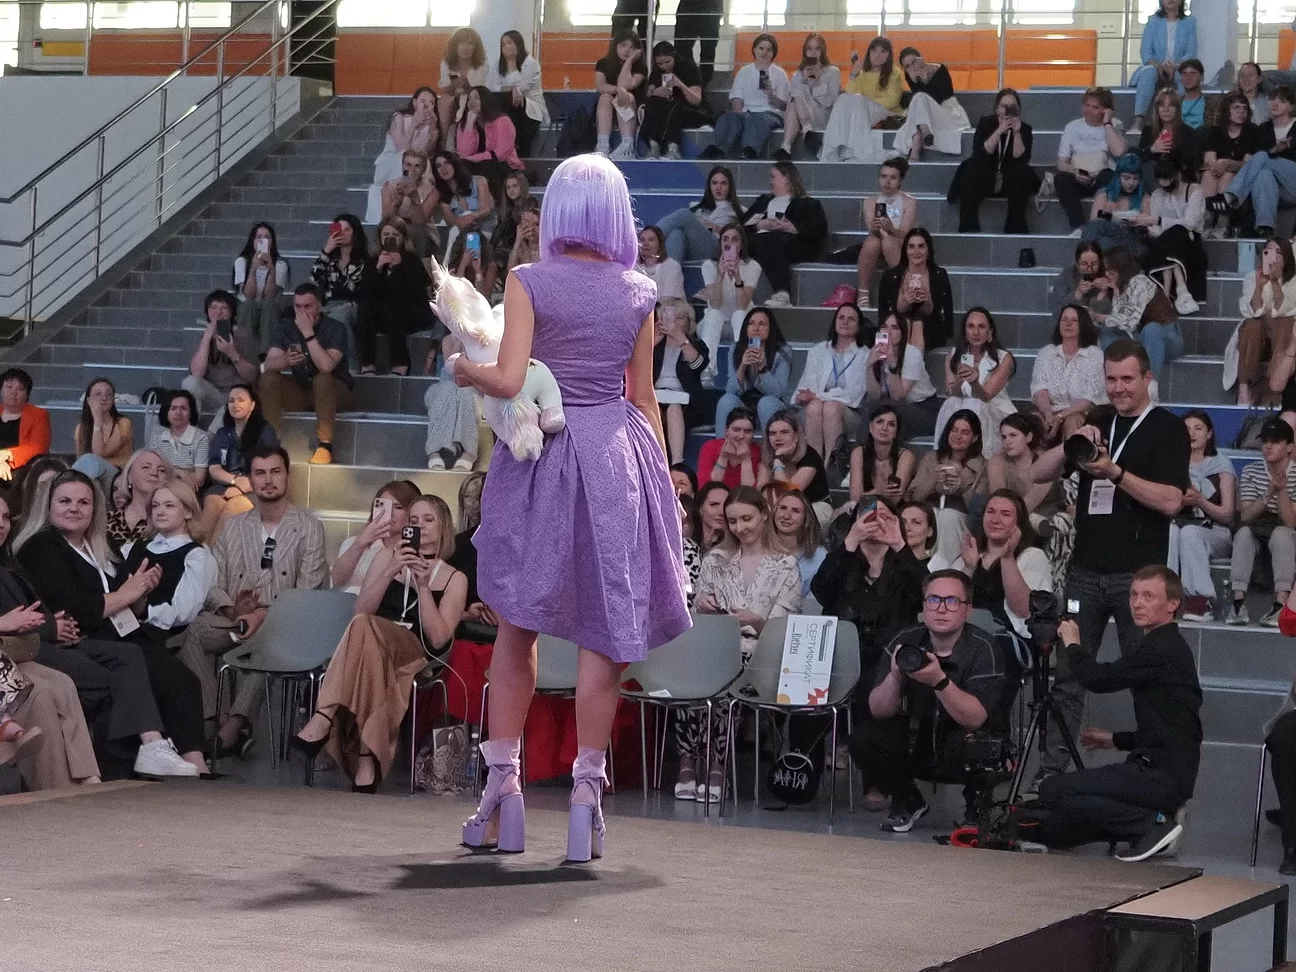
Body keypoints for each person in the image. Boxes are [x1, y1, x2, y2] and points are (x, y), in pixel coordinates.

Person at [452, 154, 690, 861]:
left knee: (516, 625)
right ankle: (587, 799)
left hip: (543, 457)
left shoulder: (529, 280)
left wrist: (464, 367)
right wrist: (662, 483)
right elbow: (644, 397)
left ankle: (504, 793)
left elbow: (508, 379)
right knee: (603, 631)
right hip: (618, 454)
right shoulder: (639, 291)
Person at [1028, 338, 1190, 785]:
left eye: (1127, 379)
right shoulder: (1097, 421)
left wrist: (1114, 473)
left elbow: (1171, 501)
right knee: (1067, 676)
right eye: (1111, 379)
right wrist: (1073, 443)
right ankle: (1051, 773)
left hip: (1140, 579)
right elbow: (1036, 473)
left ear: (1147, 378)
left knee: (1148, 678)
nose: (1118, 388)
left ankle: (1154, 770)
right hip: (1085, 571)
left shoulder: (1167, 428)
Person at [14, 470, 207, 776]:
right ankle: (145, 755)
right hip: (82, 638)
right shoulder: (41, 547)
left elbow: (126, 595)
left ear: (95, 508)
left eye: (83, 502)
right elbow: (74, 608)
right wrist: (127, 593)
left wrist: (141, 590)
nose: (74, 509)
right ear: (49, 506)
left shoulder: (101, 542)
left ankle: (196, 764)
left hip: (123, 631)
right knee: (132, 669)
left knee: (182, 680)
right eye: (65, 501)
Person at [293, 494, 466, 792]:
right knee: (366, 635)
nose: (421, 527)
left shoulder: (454, 578)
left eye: (429, 520)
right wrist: (390, 571)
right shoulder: (388, 556)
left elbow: (439, 639)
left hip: (415, 651)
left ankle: (324, 715)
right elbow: (361, 611)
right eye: (414, 521)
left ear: (443, 528)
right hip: (373, 645)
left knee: (366, 631)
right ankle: (366, 760)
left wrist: (424, 587)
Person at [1031, 566, 1201, 862]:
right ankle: (1154, 818)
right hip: (1162, 770)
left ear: (1172, 604)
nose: (1137, 603)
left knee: (1052, 791)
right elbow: (1168, 728)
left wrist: (1073, 644)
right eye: (1134, 595)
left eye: (1148, 596)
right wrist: (1115, 740)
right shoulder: (1164, 645)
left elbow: (1098, 679)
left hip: (1160, 777)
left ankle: (1153, 825)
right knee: (1056, 831)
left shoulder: (1161, 649)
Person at [179, 445, 327, 755]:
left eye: (275, 472)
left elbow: (308, 592)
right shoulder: (234, 525)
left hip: (286, 625)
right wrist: (232, 608)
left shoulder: (309, 527)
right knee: (193, 632)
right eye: (260, 473)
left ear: (287, 476)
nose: (268, 480)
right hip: (236, 618)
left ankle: (233, 728)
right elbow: (213, 582)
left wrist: (263, 614)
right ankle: (217, 718)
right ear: (250, 479)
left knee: (269, 636)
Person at [851, 569, 1006, 832]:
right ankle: (908, 799)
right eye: (933, 600)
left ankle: (976, 807)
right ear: (924, 606)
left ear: (967, 610)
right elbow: (878, 710)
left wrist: (939, 681)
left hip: (963, 744)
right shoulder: (905, 641)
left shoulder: (984, 648)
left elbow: (976, 718)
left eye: (952, 601)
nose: (941, 609)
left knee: (979, 744)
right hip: (917, 738)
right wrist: (896, 676)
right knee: (863, 737)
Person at [684, 486, 800, 800]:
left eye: (746, 519)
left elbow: (783, 631)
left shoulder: (785, 564)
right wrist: (702, 606)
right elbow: (697, 613)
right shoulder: (716, 559)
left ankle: (716, 765)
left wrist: (755, 620)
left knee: (725, 674)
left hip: (761, 653)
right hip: (716, 646)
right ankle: (689, 761)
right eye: (733, 521)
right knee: (693, 668)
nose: (740, 528)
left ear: (764, 514)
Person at [259, 283, 355, 467]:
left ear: (319, 306)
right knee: (268, 378)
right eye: (298, 306)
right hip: (303, 391)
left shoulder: (336, 328)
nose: (301, 312)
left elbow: (326, 366)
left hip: (336, 393)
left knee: (322, 378)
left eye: (307, 306)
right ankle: (270, 442)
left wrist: (308, 334)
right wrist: (285, 360)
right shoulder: (286, 327)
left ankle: (325, 445)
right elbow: (268, 364)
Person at [119, 480, 218, 648]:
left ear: (188, 512)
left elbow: (185, 612)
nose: (160, 511)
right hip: (121, 626)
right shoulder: (137, 546)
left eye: (169, 506)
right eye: (155, 506)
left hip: (163, 638)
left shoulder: (196, 555)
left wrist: (144, 610)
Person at [1228, 417, 1296, 628]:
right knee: (1243, 534)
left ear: (1289, 447)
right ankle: (1238, 603)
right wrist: (1269, 492)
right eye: (1265, 440)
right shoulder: (1251, 471)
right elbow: (1246, 516)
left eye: (1275, 441)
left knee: (1282, 534)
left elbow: (1290, 522)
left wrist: (1281, 490)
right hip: (1257, 528)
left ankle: (1281, 603)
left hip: (1286, 533)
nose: (1268, 446)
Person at [959, 490, 1053, 641]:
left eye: (1005, 514)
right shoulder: (973, 553)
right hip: (967, 634)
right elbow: (953, 602)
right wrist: (969, 568)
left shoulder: (1032, 556)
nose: (995, 520)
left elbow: (1023, 611)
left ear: (1018, 523)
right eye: (990, 512)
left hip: (1007, 639)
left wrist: (1007, 557)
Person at [1169, 410, 1235, 622]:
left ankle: (1199, 599)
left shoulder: (1221, 465)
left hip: (1216, 531)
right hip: (1178, 525)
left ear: (1209, 434)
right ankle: (1166, 595)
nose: (1192, 433)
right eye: (1187, 429)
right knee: (1170, 532)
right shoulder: (1172, 464)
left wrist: (1200, 501)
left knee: (1189, 533)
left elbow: (1227, 515)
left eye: (1198, 428)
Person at [1205, 86, 1296, 236]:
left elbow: (1260, 158)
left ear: (1291, 107)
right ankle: (1265, 227)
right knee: (1264, 175)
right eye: (1273, 99)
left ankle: (1231, 195)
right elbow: (1257, 160)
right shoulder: (1264, 129)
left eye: (1282, 101)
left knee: (1261, 157)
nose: (1275, 103)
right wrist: (1274, 150)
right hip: (1278, 189)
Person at [948, 87, 1037, 234]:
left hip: (1010, 179)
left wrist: (1016, 133)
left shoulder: (1025, 129)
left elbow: (1021, 158)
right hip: (986, 177)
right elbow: (980, 153)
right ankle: (969, 227)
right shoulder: (985, 124)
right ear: (997, 109)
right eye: (1004, 106)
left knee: (1024, 173)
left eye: (1012, 106)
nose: (1007, 110)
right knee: (970, 168)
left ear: (1018, 110)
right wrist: (999, 130)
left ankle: (1015, 227)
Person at [356, 217, 436, 377]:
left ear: (403, 238)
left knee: (393, 303)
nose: (390, 238)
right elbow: (365, 291)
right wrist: (378, 268)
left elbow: (416, 292)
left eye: (395, 235)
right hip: (382, 315)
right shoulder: (373, 261)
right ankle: (367, 363)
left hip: (411, 313)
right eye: (386, 234)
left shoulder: (412, 260)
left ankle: (400, 363)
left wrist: (399, 268)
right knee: (366, 306)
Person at [793, 302, 869, 468]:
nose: (845, 322)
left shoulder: (865, 355)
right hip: (814, 410)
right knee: (815, 407)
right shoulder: (818, 350)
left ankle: (830, 465)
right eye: (841, 317)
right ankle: (814, 466)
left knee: (831, 407)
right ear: (835, 322)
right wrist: (813, 397)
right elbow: (808, 385)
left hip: (850, 413)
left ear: (858, 327)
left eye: (851, 319)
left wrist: (817, 396)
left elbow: (852, 396)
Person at [742, 161, 828, 307]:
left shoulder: (807, 203)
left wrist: (793, 228)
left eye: (773, 177)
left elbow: (819, 228)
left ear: (786, 177)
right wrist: (760, 225)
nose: (770, 182)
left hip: (792, 245)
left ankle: (782, 293)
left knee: (767, 240)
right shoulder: (763, 201)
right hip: (758, 242)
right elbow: (741, 225)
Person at [907, 408, 988, 564]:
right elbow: (913, 499)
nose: (958, 436)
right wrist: (932, 481)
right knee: (928, 516)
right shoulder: (931, 458)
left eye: (965, 432)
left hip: (962, 522)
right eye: (954, 430)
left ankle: (944, 568)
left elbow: (978, 510)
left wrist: (962, 487)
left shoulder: (983, 466)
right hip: (930, 515)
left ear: (975, 437)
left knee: (947, 516)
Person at [199, 384, 279, 539]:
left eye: (241, 400)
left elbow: (270, 468)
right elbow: (214, 468)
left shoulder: (265, 430)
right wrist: (235, 481)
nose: (235, 404)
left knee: (231, 513)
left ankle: (216, 553)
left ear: (252, 405)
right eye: (231, 401)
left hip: (255, 489)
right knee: (208, 515)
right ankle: (200, 551)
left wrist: (243, 488)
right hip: (223, 486)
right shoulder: (223, 433)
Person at [935, 307, 1016, 457]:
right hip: (965, 412)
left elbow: (986, 396)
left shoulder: (1004, 358)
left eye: (981, 327)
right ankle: (943, 455)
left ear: (990, 332)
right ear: (965, 331)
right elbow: (952, 392)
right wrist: (960, 380)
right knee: (950, 403)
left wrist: (974, 383)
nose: (976, 332)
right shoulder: (954, 355)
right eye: (971, 326)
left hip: (995, 410)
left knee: (974, 402)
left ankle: (979, 457)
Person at [1099, 246, 1183, 383]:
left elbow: (1129, 321)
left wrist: (1099, 317)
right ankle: (1114, 376)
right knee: (1107, 332)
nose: (1107, 274)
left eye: (1111, 270)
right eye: (1105, 270)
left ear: (1121, 269)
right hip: (1140, 336)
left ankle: (1149, 385)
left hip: (1166, 337)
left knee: (1152, 329)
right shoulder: (1117, 287)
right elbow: (1119, 321)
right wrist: (1109, 292)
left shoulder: (1140, 282)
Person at [700, 33, 789, 161]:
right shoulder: (744, 71)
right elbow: (737, 98)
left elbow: (784, 106)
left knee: (757, 119)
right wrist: (739, 116)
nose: (764, 52)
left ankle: (750, 150)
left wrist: (770, 94)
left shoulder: (780, 74)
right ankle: (715, 148)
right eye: (761, 48)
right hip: (747, 112)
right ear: (754, 50)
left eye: (769, 49)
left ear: (773, 53)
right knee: (729, 118)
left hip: (770, 114)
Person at [819, 36, 905, 164]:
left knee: (858, 100)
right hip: (861, 110)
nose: (878, 55)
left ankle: (856, 152)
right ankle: (832, 150)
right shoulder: (862, 72)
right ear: (869, 53)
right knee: (843, 98)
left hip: (886, 112)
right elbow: (849, 93)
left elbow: (891, 100)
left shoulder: (895, 72)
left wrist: (864, 102)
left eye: (883, 51)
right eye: (874, 51)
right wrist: (854, 74)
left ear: (889, 55)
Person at [1055, 87, 1129, 231]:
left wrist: (1107, 123)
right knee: (1061, 179)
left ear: (1106, 110)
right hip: (1079, 176)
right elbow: (1061, 162)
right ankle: (1079, 227)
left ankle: (1098, 225)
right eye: (1087, 105)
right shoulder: (1072, 127)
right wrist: (1074, 172)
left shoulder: (1115, 124)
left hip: (1102, 177)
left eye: (1095, 107)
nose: (1089, 110)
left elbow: (1119, 152)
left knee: (1109, 177)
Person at [695, 223, 762, 383]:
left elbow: (742, 305)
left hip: (742, 323)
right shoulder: (709, 266)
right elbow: (715, 304)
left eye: (734, 239)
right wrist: (720, 276)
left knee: (739, 315)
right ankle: (706, 370)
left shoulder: (752, 266)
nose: (729, 243)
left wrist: (738, 278)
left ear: (741, 244)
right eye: (725, 239)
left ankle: (742, 370)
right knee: (714, 315)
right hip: (713, 323)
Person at [1031, 303, 1107, 442]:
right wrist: (1048, 413)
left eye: (1074, 320)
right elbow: (1040, 390)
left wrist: (1060, 417)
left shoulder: (1095, 355)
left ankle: (1071, 456)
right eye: (1064, 320)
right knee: (1035, 421)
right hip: (1050, 410)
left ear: (1082, 325)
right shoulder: (1046, 353)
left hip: (1081, 412)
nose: (1068, 324)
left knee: (1073, 421)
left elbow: (1089, 399)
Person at [363, 88, 439, 225]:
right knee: (404, 158)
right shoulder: (399, 118)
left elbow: (421, 155)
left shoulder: (431, 128)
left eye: (431, 103)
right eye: (423, 101)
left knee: (421, 163)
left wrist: (432, 130)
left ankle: (416, 204)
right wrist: (414, 124)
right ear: (415, 103)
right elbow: (402, 147)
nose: (427, 106)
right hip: (390, 162)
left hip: (412, 168)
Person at [1235, 236, 1296, 405]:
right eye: (1268, 251)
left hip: (1284, 337)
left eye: (1279, 252)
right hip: (1260, 337)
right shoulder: (1252, 277)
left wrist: (1275, 283)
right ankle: (1244, 389)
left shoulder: (1293, 280)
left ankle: (1273, 389)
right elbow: (1250, 311)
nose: (1273, 257)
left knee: (1285, 323)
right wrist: (1259, 286)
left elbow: (1287, 309)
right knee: (1251, 325)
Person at [331, 481, 422, 594]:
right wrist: (360, 543)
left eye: (398, 507)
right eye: (383, 505)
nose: (390, 513)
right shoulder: (352, 543)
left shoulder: (414, 550)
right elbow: (336, 580)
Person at [1143, 156, 1206, 315]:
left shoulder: (1194, 191)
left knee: (1177, 232)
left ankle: (1166, 295)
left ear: (1177, 175)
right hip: (1165, 239)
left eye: (1167, 179)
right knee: (1167, 240)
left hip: (1189, 239)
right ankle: (1181, 289)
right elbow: (1155, 228)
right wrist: (1152, 226)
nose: (1164, 184)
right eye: (1161, 181)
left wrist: (1159, 221)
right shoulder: (1157, 194)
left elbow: (1190, 223)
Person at [713, 307, 792, 432]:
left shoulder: (782, 352)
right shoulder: (736, 349)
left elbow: (777, 393)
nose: (756, 328)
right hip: (745, 402)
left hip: (773, 404)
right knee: (726, 401)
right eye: (751, 323)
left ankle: (770, 444)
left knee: (766, 403)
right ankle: (722, 444)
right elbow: (730, 391)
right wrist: (742, 366)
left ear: (770, 328)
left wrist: (762, 368)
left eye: (762, 324)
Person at [862, 311, 939, 437]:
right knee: (869, 404)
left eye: (895, 328)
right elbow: (874, 396)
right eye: (884, 327)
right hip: (891, 406)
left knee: (889, 409)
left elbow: (898, 395)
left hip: (922, 408)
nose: (888, 332)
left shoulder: (912, 354)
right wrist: (870, 366)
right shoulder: (874, 352)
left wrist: (892, 365)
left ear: (903, 333)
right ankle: (863, 447)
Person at [876, 228, 954, 350]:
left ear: (928, 249)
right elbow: (884, 313)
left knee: (918, 324)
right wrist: (904, 304)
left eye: (921, 246)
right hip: (897, 325)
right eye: (911, 247)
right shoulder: (890, 276)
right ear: (905, 250)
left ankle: (911, 361)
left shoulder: (939, 274)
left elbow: (944, 310)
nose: (916, 252)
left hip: (930, 328)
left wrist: (927, 301)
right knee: (905, 323)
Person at [855, 157, 917, 310]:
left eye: (893, 177)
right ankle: (863, 293)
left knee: (888, 241)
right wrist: (876, 227)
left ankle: (905, 287)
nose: (887, 182)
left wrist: (891, 229)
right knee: (873, 241)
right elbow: (872, 228)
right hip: (877, 245)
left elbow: (906, 234)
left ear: (900, 180)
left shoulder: (909, 202)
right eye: (883, 177)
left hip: (899, 244)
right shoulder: (870, 202)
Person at [652, 298, 708, 464]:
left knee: (673, 408)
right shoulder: (655, 344)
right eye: (670, 317)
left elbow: (698, 365)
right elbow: (634, 367)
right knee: (651, 410)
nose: (674, 322)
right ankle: (654, 460)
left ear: (690, 323)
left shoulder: (696, 344)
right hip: (655, 396)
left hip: (684, 402)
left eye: (680, 318)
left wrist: (681, 340)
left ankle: (677, 462)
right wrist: (651, 344)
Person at [1128, 0, 1198, 131]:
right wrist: (1159, 66)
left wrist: (1175, 66)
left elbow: (1191, 52)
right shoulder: (1153, 22)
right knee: (1148, 72)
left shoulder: (1189, 23)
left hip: (1178, 67)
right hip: (1155, 66)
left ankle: (1181, 123)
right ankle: (1138, 121)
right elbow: (1146, 53)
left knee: (1184, 76)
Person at [894, 46, 970, 163]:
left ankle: (917, 142)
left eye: (913, 62)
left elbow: (941, 97)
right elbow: (921, 103)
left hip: (947, 111)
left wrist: (925, 78)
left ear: (920, 59)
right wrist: (916, 81)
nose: (912, 67)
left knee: (919, 98)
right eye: (907, 66)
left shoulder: (940, 70)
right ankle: (922, 136)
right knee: (918, 98)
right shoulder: (910, 76)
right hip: (927, 116)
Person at [656, 166, 745, 265]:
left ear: (730, 187)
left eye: (723, 183)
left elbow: (741, 235)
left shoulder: (738, 210)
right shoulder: (696, 207)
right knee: (676, 234)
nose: (718, 187)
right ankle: (670, 272)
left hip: (717, 247)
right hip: (693, 247)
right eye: (714, 183)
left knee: (684, 214)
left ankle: (650, 238)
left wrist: (716, 228)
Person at [1201, 92, 1262, 236]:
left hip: (1241, 178)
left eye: (1244, 108)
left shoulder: (1252, 131)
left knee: (1227, 176)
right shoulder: (1215, 131)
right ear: (1226, 111)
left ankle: (1223, 221)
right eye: (1236, 107)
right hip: (1216, 175)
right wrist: (1217, 165)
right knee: (1208, 174)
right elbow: (1209, 158)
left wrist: (1228, 163)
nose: (1241, 111)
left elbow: (1248, 164)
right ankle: (1207, 217)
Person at [757, 410, 831, 524]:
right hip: (779, 507)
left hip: (814, 506)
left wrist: (778, 461)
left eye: (784, 432)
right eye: (772, 433)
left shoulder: (810, 456)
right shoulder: (766, 456)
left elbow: (789, 494)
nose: (778, 437)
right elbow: (761, 490)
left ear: (796, 435)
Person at [988, 412, 1064, 521]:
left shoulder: (1045, 460)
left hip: (1048, 517)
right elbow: (998, 499)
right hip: (1009, 518)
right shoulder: (998, 461)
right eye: (1004, 437)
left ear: (1029, 437)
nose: (1007, 442)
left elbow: (1030, 503)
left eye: (1013, 435)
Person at [776, 33, 839, 160]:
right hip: (801, 117)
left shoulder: (833, 72)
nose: (813, 53)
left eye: (817, 49)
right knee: (793, 99)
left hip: (823, 116)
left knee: (795, 97)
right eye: (809, 49)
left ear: (823, 50)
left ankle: (789, 143)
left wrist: (817, 82)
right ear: (805, 51)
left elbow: (829, 102)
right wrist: (803, 81)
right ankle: (793, 141)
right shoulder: (798, 75)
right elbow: (794, 99)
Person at [422, 334, 481, 471]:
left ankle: (469, 453)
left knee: (466, 394)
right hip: (445, 387)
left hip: (475, 389)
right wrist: (461, 338)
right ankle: (434, 451)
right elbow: (453, 368)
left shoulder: (485, 338)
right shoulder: (448, 340)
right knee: (448, 391)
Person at [640, 41, 707, 161]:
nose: (664, 66)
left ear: (674, 56)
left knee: (674, 107)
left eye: (667, 62)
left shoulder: (689, 68)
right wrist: (654, 91)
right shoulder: (657, 71)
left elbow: (696, 100)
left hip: (688, 109)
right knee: (651, 105)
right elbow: (648, 93)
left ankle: (673, 148)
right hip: (663, 108)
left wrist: (679, 84)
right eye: (660, 63)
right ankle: (654, 147)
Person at [486, 30, 548, 157]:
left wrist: (511, 63)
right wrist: (512, 88)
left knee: (513, 97)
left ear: (518, 44)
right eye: (503, 44)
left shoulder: (532, 64)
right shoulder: (499, 65)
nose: (505, 47)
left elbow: (523, 87)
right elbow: (493, 87)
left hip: (530, 109)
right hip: (507, 106)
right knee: (495, 98)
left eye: (509, 43)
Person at [434, 151, 496, 272]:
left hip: (484, 227)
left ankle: (447, 265)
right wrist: (462, 221)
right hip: (461, 229)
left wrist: (470, 217)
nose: (443, 168)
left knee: (465, 229)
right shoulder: (443, 193)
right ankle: (460, 270)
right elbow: (450, 220)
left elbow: (486, 209)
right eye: (438, 166)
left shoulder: (479, 180)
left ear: (454, 164)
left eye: (447, 163)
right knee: (464, 233)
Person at [232, 222, 288, 354]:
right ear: (252, 241)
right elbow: (248, 296)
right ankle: (246, 352)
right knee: (249, 304)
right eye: (259, 237)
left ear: (272, 241)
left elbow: (270, 296)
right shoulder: (241, 262)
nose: (262, 240)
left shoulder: (280, 264)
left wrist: (271, 270)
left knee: (268, 305)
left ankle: (265, 355)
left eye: (267, 237)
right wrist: (253, 269)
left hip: (269, 309)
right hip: (246, 308)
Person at [1081, 152, 1152, 257]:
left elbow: (1149, 228)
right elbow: (1093, 224)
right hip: (1110, 239)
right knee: (1103, 239)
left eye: (1135, 179)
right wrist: (1106, 213)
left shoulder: (1144, 197)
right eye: (1126, 178)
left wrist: (1139, 222)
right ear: (1118, 177)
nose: (1131, 183)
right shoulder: (1104, 194)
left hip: (1132, 239)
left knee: (1105, 243)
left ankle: (1085, 257)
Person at [456, 86, 524, 193]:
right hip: (476, 166)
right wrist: (469, 123)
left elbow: (500, 155)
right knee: (462, 166)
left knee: (486, 165)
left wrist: (473, 158)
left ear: (485, 100)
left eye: (477, 98)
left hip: (503, 166)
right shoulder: (464, 124)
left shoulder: (502, 121)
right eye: (470, 98)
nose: (472, 101)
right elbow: (464, 153)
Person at [595, 29, 648, 160]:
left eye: (632, 47)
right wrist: (619, 90)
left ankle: (627, 146)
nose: (627, 50)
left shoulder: (640, 66)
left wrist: (629, 61)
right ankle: (603, 145)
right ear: (615, 46)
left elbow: (627, 85)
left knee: (626, 97)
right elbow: (600, 86)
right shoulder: (603, 63)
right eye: (623, 45)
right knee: (605, 97)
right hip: (607, 109)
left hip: (631, 107)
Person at [849, 403, 916, 507]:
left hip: (896, 511)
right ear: (870, 427)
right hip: (863, 511)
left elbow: (894, 499)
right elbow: (855, 500)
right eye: (880, 422)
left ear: (896, 432)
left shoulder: (906, 456)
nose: (884, 428)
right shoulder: (858, 453)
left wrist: (869, 495)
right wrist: (879, 491)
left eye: (891, 424)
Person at [71, 377, 133, 490]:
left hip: (118, 476)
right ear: (88, 400)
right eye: (98, 394)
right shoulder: (81, 428)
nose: (104, 398)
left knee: (90, 460)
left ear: (113, 399)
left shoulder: (123, 423)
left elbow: (99, 454)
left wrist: (97, 422)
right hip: (92, 478)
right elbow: (80, 460)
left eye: (109, 394)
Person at [309, 214, 368, 330]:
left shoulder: (364, 261)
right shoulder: (329, 260)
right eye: (340, 230)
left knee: (338, 317)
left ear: (355, 233)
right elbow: (314, 279)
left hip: (352, 305)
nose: (343, 234)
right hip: (329, 305)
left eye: (347, 230)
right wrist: (326, 251)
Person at [377, 151, 441, 258]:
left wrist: (414, 198)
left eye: (417, 166)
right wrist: (397, 203)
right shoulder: (390, 186)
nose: (412, 169)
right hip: (396, 228)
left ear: (423, 169)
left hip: (423, 231)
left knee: (414, 232)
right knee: (388, 232)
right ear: (402, 166)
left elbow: (419, 221)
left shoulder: (432, 190)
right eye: (408, 165)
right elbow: (386, 219)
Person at [106, 449, 172, 553]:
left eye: (161, 470)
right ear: (129, 477)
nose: (154, 473)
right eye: (146, 467)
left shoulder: (169, 522)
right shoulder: (106, 520)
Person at [146, 389, 210, 492]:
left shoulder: (201, 437)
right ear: (167, 412)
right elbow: (153, 473)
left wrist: (167, 471)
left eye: (183, 408)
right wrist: (180, 473)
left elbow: (199, 479)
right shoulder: (157, 438)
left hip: (188, 491)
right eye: (173, 408)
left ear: (190, 413)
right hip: (160, 489)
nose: (178, 413)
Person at [436, 27, 488, 151]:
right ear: (455, 45)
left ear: (475, 47)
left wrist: (468, 87)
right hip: (453, 97)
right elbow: (445, 87)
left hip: (474, 99)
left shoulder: (482, 65)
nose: (466, 48)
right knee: (445, 100)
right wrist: (453, 85)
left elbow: (481, 90)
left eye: (470, 43)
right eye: (462, 43)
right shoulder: (446, 63)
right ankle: (443, 141)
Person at [772, 489, 827, 600]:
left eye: (795, 511)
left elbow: (815, 603)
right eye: (783, 508)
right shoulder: (758, 548)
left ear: (806, 518)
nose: (786, 516)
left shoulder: (819, 556)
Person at [0, 368, 50, 483]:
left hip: (22, 470)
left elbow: (38, 448)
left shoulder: (39, 415)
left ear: (27, 394)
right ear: (1, 390)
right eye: (9, 387)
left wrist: (6, 455)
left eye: (20, 389)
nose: (14, 392)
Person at [699, 406, 761, 489]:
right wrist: (723, 458)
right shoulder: (710, 447)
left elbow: (750, 492)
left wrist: (746, 460)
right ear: (726, 430)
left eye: (747, 431)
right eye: (736, 430)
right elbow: (706, 488)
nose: (741, 436)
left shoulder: (757, 451)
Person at [1048, 242, 1114, 318]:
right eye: (1084, 264)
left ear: (1100, 262)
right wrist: (1077, 294)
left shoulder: (1110, 274)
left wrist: (1108, 289)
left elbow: (1121, 311)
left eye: (1094, 264)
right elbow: (1056, 309)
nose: (1089, 269)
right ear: (1077, 263)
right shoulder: (1067, 275)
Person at [673, 0, 722, 87]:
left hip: (710, 8)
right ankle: (692, 77)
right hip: (689, 8)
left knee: (708, 49)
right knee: (681, 47)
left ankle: (703, 82)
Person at [636, 226, 685, 301]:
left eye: (651, 240)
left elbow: (668, 300)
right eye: (642, 240)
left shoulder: (671, 266)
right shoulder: (634, 268)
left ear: (660, 245)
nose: (645, 244)